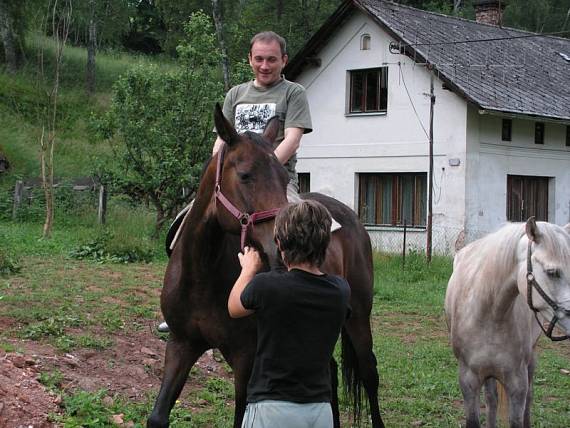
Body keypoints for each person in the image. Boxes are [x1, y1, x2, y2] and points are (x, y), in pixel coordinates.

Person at [158, 31, 313, 333]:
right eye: (259, 59)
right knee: (185, 224)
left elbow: (292, 139)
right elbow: (221, 141)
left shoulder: (293, 93)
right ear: (250, 60)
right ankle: (184, 305)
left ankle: (296, 297)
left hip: (274, 182)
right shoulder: (235, 94)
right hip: (233, 181)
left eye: (271, 59)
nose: (264, 65)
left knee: (301, 230)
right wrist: (216, 174)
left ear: (283, 60)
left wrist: (264, 170)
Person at [228, 200, 351, 428]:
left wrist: (248, 270)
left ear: (279, 245)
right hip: (320, 410)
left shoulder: (266, 286)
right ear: (326, 243)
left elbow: (234, 307)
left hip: (271, 409)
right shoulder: (340, 291)